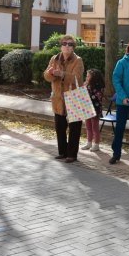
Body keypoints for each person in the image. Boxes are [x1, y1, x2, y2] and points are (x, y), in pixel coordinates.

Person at [43, 35, 84, 163]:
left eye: (70, 44)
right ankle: (62, 152)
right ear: (61, 45)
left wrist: (62, 74)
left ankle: (72, 154)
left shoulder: (78, 60)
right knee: (60, 126)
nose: (67, 46)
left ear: (73, 48)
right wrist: (49, 73)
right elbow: (46, 76)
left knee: (74, 128)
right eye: (65, 43)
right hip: (58, 97)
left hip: (74, 97)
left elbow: (76, 78)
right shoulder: (54, 59)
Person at [81, 69, 105, 152]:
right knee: (88, 126)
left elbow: (97, 97)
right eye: (86, 76)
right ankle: (89, 143)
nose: (86, 77)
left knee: (95, 127)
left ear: (94, 77)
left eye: (88, 76)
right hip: (87, 108)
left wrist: (87, 93)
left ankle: (96, 144)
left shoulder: (98, 86)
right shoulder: (87, 85)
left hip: (95, 109)